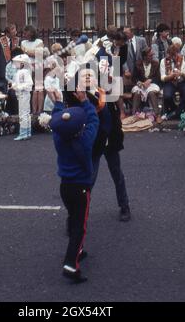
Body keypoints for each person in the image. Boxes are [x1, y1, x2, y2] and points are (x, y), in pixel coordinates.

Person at [65, 66, 131, 222]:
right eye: (84, 76)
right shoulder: (78, 98)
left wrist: (117, 135)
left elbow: (114, 118)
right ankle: (76, 215)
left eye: (90, 75)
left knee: (117, 175)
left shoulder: (105, 94)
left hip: (111, 141)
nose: (88, 78)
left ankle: (125, 206)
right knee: (88, 180)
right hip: (93, 143)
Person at [49, 89, 99, 283]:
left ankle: (78, 250)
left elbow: (57, 121)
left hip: (65, 187)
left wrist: (58, 103)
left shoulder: (59, 139)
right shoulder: (85, 141)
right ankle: (71, 264)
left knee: (74, 217)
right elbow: (94, 121)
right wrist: (85, 101)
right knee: (80, 227)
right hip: (81, 188)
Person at [131, 47, 162, 122]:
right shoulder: (138, 64)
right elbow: (134, 78)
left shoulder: (156, 64)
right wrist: (139, 83)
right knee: (137, 93)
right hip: (141, 85)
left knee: (151, 93)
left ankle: (157, 115)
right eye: (150, 55)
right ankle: (133, 114)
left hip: (152, 84)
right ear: (145, 56)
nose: (152, 57)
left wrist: (150, 80)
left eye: (152, 55)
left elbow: (158, 78)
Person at [160, 45, 185, 119]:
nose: (173, 57)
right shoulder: (163, 61)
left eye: (175, 54)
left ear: (177, 53)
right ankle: (174, 110)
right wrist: (171, 76)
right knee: (167, 96)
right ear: (168, 54)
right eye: (171, 55)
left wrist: (181, 73)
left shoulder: (182, 59)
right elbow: (162, 77)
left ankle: (177, 112)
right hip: (169, 82)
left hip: (181, 81)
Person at [12, 54, 33, 141]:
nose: (15, 64)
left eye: (17, 62)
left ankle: (24, 133)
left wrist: (18, 87)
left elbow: (29, 83)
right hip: (22, 94)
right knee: (26, 113)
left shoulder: (24, 72)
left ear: (22, 63)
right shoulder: (21, 71)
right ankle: (27, 132)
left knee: (23, 114)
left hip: (24, 94)